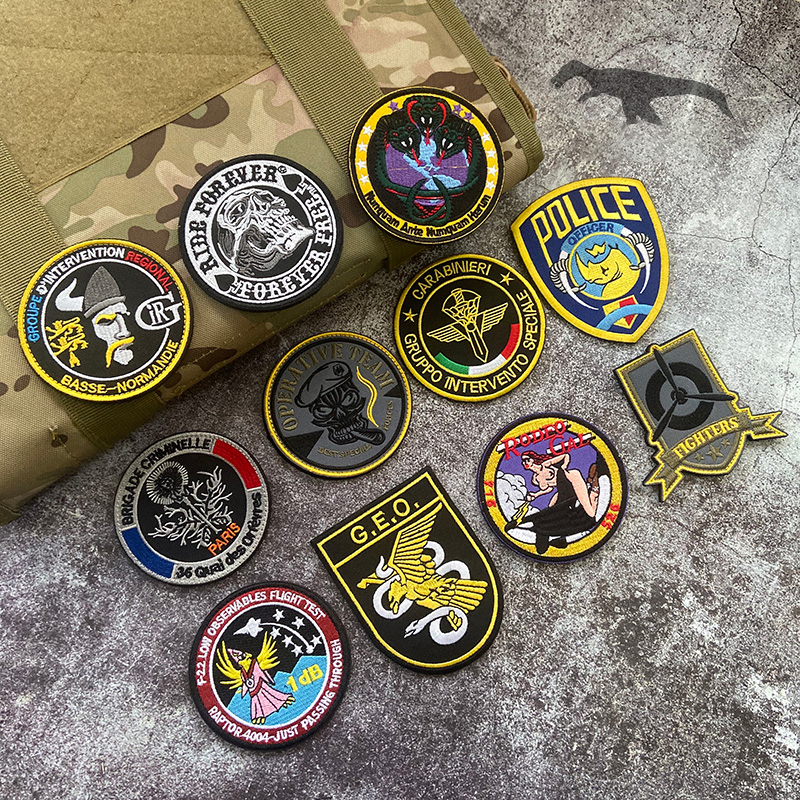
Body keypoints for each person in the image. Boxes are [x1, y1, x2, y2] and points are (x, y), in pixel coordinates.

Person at [505, 450, 602, 555]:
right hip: (563, 491)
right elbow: (549, 489)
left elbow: (565, 456)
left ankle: (592, 497)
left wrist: (562, 466)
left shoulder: (546, 465)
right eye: (523, 461)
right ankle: (538, 529)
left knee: (585, 511)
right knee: (551, 510)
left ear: (533, 459)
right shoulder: (535, 479)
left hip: (570, 482)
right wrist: (536, 495)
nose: (525, 463)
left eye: (527, 460)